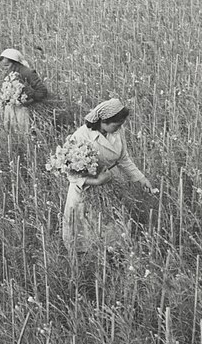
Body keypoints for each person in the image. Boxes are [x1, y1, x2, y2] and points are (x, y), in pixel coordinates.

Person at [62, 98, 154, 257]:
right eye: (116, 125)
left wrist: (141, 178)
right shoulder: (80, 136)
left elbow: (123, 158)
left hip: (112, 183)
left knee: (112, 226)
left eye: (121, 125)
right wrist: (97, 181)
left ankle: (112, 256)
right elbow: (70, 173)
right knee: (87, 227)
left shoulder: (117, 131)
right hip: (87, 188)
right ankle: (88, 260)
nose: (119, 128)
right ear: (103, 121)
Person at [0, 48, 49, 134]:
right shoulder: (10, 73)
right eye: (4, 66)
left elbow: (42, 92)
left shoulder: (28, 72)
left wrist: (29, 100)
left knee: (25, 134)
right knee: (13, 135)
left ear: (16, 63)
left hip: (24, 111)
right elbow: (6, 93)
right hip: (11, 111)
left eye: (7, 65)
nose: (5, 69)